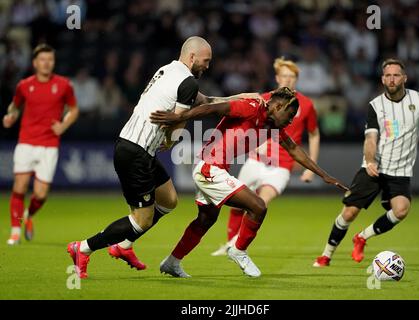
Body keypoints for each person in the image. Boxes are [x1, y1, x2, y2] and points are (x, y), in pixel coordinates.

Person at [66, 36, 262, 279]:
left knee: (168, 200)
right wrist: (170, 140)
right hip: (135, 151)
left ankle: (124, 246)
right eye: (205, 61)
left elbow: (208, 101)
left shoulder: (168, 70)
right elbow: (178, 121)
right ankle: (82, 248)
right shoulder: (187, 83)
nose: (207, 66)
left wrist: (243, 97)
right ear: (192, 57)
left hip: (139, 148)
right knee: (142, 220)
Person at [150, 86, 349, 278]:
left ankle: (172, 263)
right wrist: (179, 117)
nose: (290, 122)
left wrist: (323, 175)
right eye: (289, 116)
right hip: (209, 169)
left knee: (205, 220)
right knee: (258, 207)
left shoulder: (271, 127)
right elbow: (212, 108)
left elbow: (294, 149)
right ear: (278, 107)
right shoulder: (251, 107)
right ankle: (239, 251)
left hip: (213, 169)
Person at [313, 58, 419, 267]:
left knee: (401, 209)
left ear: (404, 77)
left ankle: (362, 237)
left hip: (400, 170)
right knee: (349, 212)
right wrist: (370, 160)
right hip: (375, 167)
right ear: (382, 79)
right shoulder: (375, 106)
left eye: (396, 75)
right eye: (387, 75)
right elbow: (370, 138)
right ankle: (326, 255)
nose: (391, 79)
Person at [210, 57, 320, 256]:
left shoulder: (306, 105)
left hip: (281, 165)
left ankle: (235, 246)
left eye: (292, 77)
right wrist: (256, 143)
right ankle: (230, 243)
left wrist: (310, 167)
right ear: (277, 78)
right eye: (284, 76)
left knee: (261, 202)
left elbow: (314, 134)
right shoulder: (265, 99)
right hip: (256, 160)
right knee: (237, 204)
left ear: (297, 79)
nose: (288, 80)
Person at [2, 44, 79, 245]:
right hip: (26, 142)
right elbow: (15, 106)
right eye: (42, 60)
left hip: (49, 145)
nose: (46, 63)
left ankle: (28, 215)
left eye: (50, 59)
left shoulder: (63, 85)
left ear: (53, 62)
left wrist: (63, 125)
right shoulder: (24, 85)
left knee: (41, 194)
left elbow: (74, 109)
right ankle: (15, 231)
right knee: (19, 187)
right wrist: (10, 116)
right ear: (35, 63)